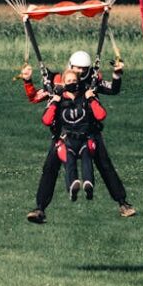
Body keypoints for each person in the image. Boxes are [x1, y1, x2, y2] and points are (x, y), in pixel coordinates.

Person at [22, 49, 136, 222]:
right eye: (77, 68)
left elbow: (113, 89)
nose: (80, 72)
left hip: (90, 134)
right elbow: (34, 97)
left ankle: (123, 203)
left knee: (105, 166)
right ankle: (40, 209)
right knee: (49, 169)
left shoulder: (91, 83)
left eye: (84, 69)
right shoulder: (56, 84)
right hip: (63, 136)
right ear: (70, 66)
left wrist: (117, 75)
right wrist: (27, 80)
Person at [42, 69, 107, 200]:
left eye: (74, 81)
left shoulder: (85, 97)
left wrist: (91, 99)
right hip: (68, 140)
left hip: (84, 139)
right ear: (63, 83)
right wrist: (54, 101)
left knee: (87, 155)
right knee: (69, 159)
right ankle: (73, 185)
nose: (72, 83)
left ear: (78, 82)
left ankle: (88, 184)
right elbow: (47, 120)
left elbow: (101, 115)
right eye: (68, 81)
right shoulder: (59, 100)